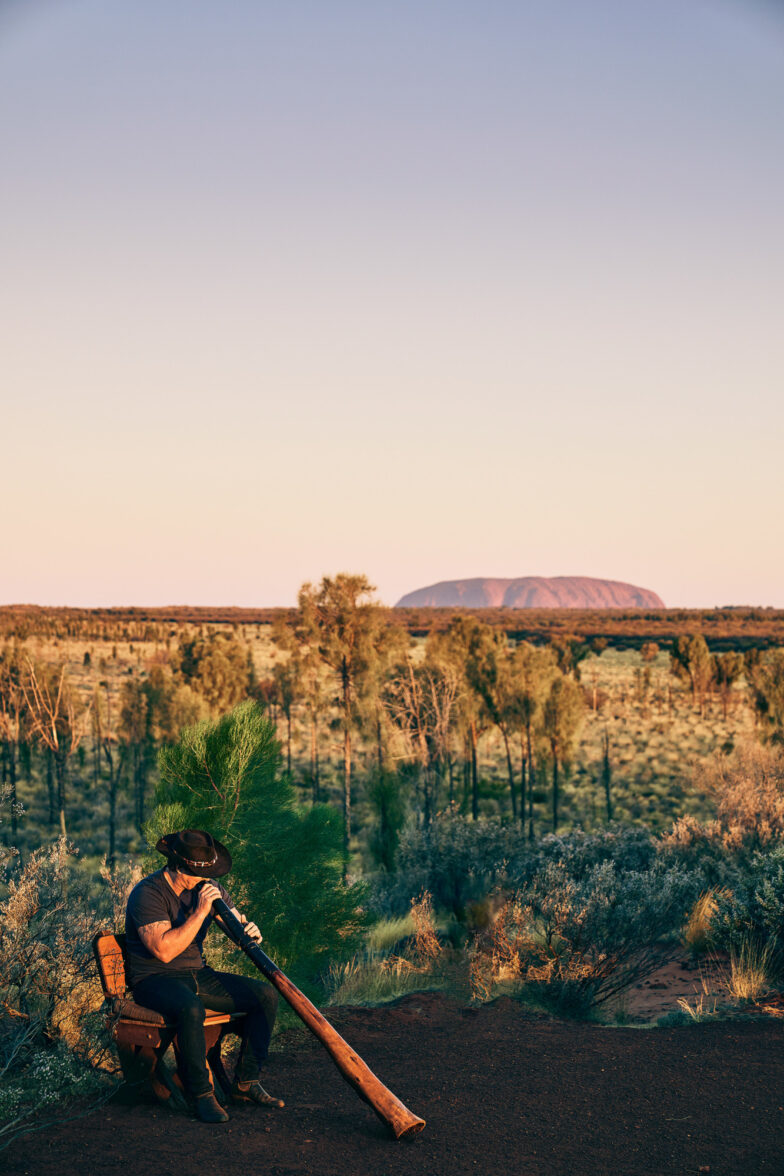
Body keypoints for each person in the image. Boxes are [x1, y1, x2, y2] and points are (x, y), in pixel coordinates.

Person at [124, 828, 283, 1124]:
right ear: (177, 866)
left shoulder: (209, 888)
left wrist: (249, 930)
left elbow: (236, 923)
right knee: (190, 1008)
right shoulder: (148, 893)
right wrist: (199, 912)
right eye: (201, 872)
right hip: (154, 980)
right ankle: (201, 1095)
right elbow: (163, 951)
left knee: (265, 996)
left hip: (197, 974)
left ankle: (246, 1083)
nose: (207, 878)